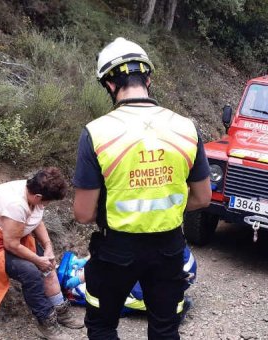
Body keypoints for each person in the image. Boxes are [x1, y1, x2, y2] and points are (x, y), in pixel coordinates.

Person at [72, 37, 211, 339]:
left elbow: (83, 213)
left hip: (116, 250)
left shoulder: (96, 133)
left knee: (102, 326)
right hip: (169, 249)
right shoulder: (187, 128)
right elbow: (202, 198)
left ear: (109, 85)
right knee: (165, 328)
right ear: (148, 79)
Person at [0, 167, 83, 340]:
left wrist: (47, 247)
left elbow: (36, 221)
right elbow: (11, 244)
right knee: (31, 272)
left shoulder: (33, 192)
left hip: (12, 232)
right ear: (38, 197)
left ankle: (60, 310)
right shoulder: (15, 205)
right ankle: (46, 322)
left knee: (49, 265)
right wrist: (38, 261)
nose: (46, 206)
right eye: (47, 202)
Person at [56, 245, 197, 319]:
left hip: (175, 274)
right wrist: (86, 260)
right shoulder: (138, 223)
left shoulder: (131, 229)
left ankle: (172, 310)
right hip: (176, 265)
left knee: (124, 296)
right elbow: (107, 247)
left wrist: (80, 279)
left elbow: (110, 263)